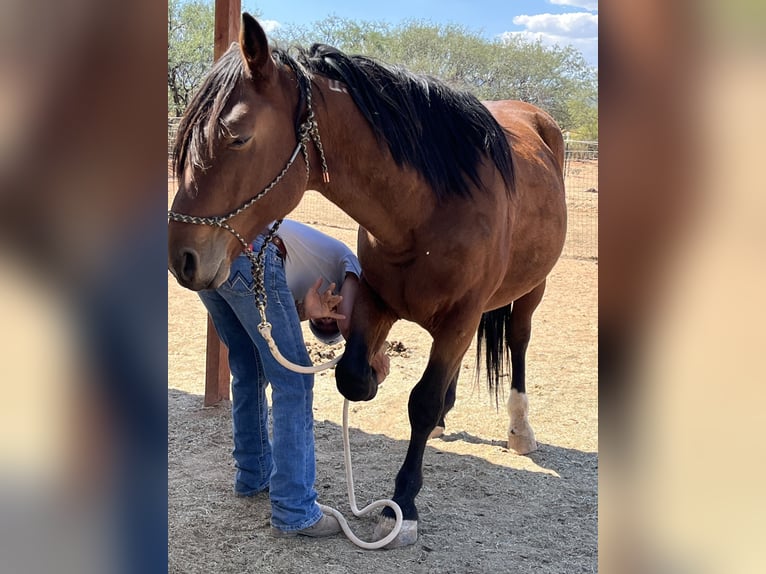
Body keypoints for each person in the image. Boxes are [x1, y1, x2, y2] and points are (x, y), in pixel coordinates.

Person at [197, 219, 389, 538]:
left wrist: (308, 310)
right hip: (257, 252)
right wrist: (373, 353)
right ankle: (294, 509)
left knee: (250, 370)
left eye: (324, 321)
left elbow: (272, 312)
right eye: (331, 318)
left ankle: (253, 475)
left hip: (218, 251)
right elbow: (350, 325)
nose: (333, 316)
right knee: (295, 383)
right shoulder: (349, 265)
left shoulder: (306, 280)